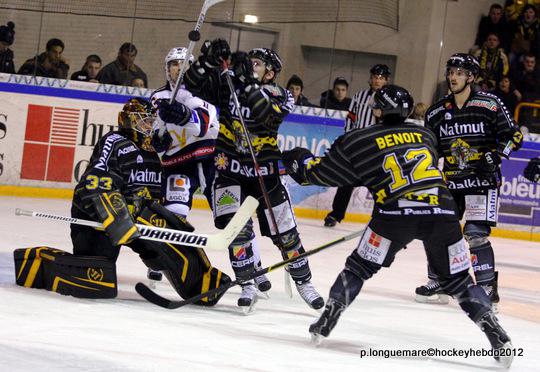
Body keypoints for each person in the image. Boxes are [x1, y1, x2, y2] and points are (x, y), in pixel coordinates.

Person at [281, 85, 515, 368]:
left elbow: (321, 173)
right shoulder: (426, 135)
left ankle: (329, 315)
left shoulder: (358, 139)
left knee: (358, 267)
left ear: (377, 110)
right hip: (442, 212)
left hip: (394, 216)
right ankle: (495, 332)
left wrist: (296, 158)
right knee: (459, 281)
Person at [14, 98, 230, 306]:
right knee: (99, 283)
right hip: (101, 219)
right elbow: (95, 179)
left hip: (137, 220)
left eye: (151, 121)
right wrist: (118, 214)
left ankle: (202, 283)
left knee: (170, 233)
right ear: (128, 120)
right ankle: (37, 261)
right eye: (143, 120)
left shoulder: (155, 152)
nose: (149, 125)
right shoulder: (115, 141)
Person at [184, 39, 324, 311]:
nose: (249, 65)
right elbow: (192, 85)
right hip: (229, 172)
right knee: (236, 231)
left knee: (287, 235)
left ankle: (304, 281)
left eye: (256, 63)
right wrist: (208, 62)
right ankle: (247, 281)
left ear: (270, 72)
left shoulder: (282, 95)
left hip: (266, 174)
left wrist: (247, 82)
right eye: (249, 61)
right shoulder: (229, 86)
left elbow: (265, 117)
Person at [150, 47, 272, 293]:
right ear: (167, 68)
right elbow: (156, 129)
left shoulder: (206, 92)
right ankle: (165, 260)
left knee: (232, 217)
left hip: (212, 163)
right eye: (174, 64)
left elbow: (209, 125)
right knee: (174, 212)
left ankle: (254, 266)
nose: (178, 68)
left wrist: (186, 116)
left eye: (184, 64)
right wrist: (157, 139)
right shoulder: (159, 96)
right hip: (179, 164)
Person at [416, 54, 523, 309]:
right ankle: (440, 280)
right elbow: (430, 150)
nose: (453, 77)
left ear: (471, 77)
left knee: (475, 235)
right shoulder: (437, 112)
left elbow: (514, 135)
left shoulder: (490, 104)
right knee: (436, 232)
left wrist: (497, 156)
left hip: (481, 183)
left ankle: (487, 286)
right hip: (451, 183)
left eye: (460, 72)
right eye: (451, 71)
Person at [323, 64, 390, 227]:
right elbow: (350, 121)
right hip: (359, 149)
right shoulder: (359, 97)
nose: (377, 80)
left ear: (386, 81)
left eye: (381, 78)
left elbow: (391, 125)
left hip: (378, 151)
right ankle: (336, 214)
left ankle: (384, 220)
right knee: (346, 182)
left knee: (382, 187)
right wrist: (347, 142)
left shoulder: (389, 101)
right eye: (375, 77)